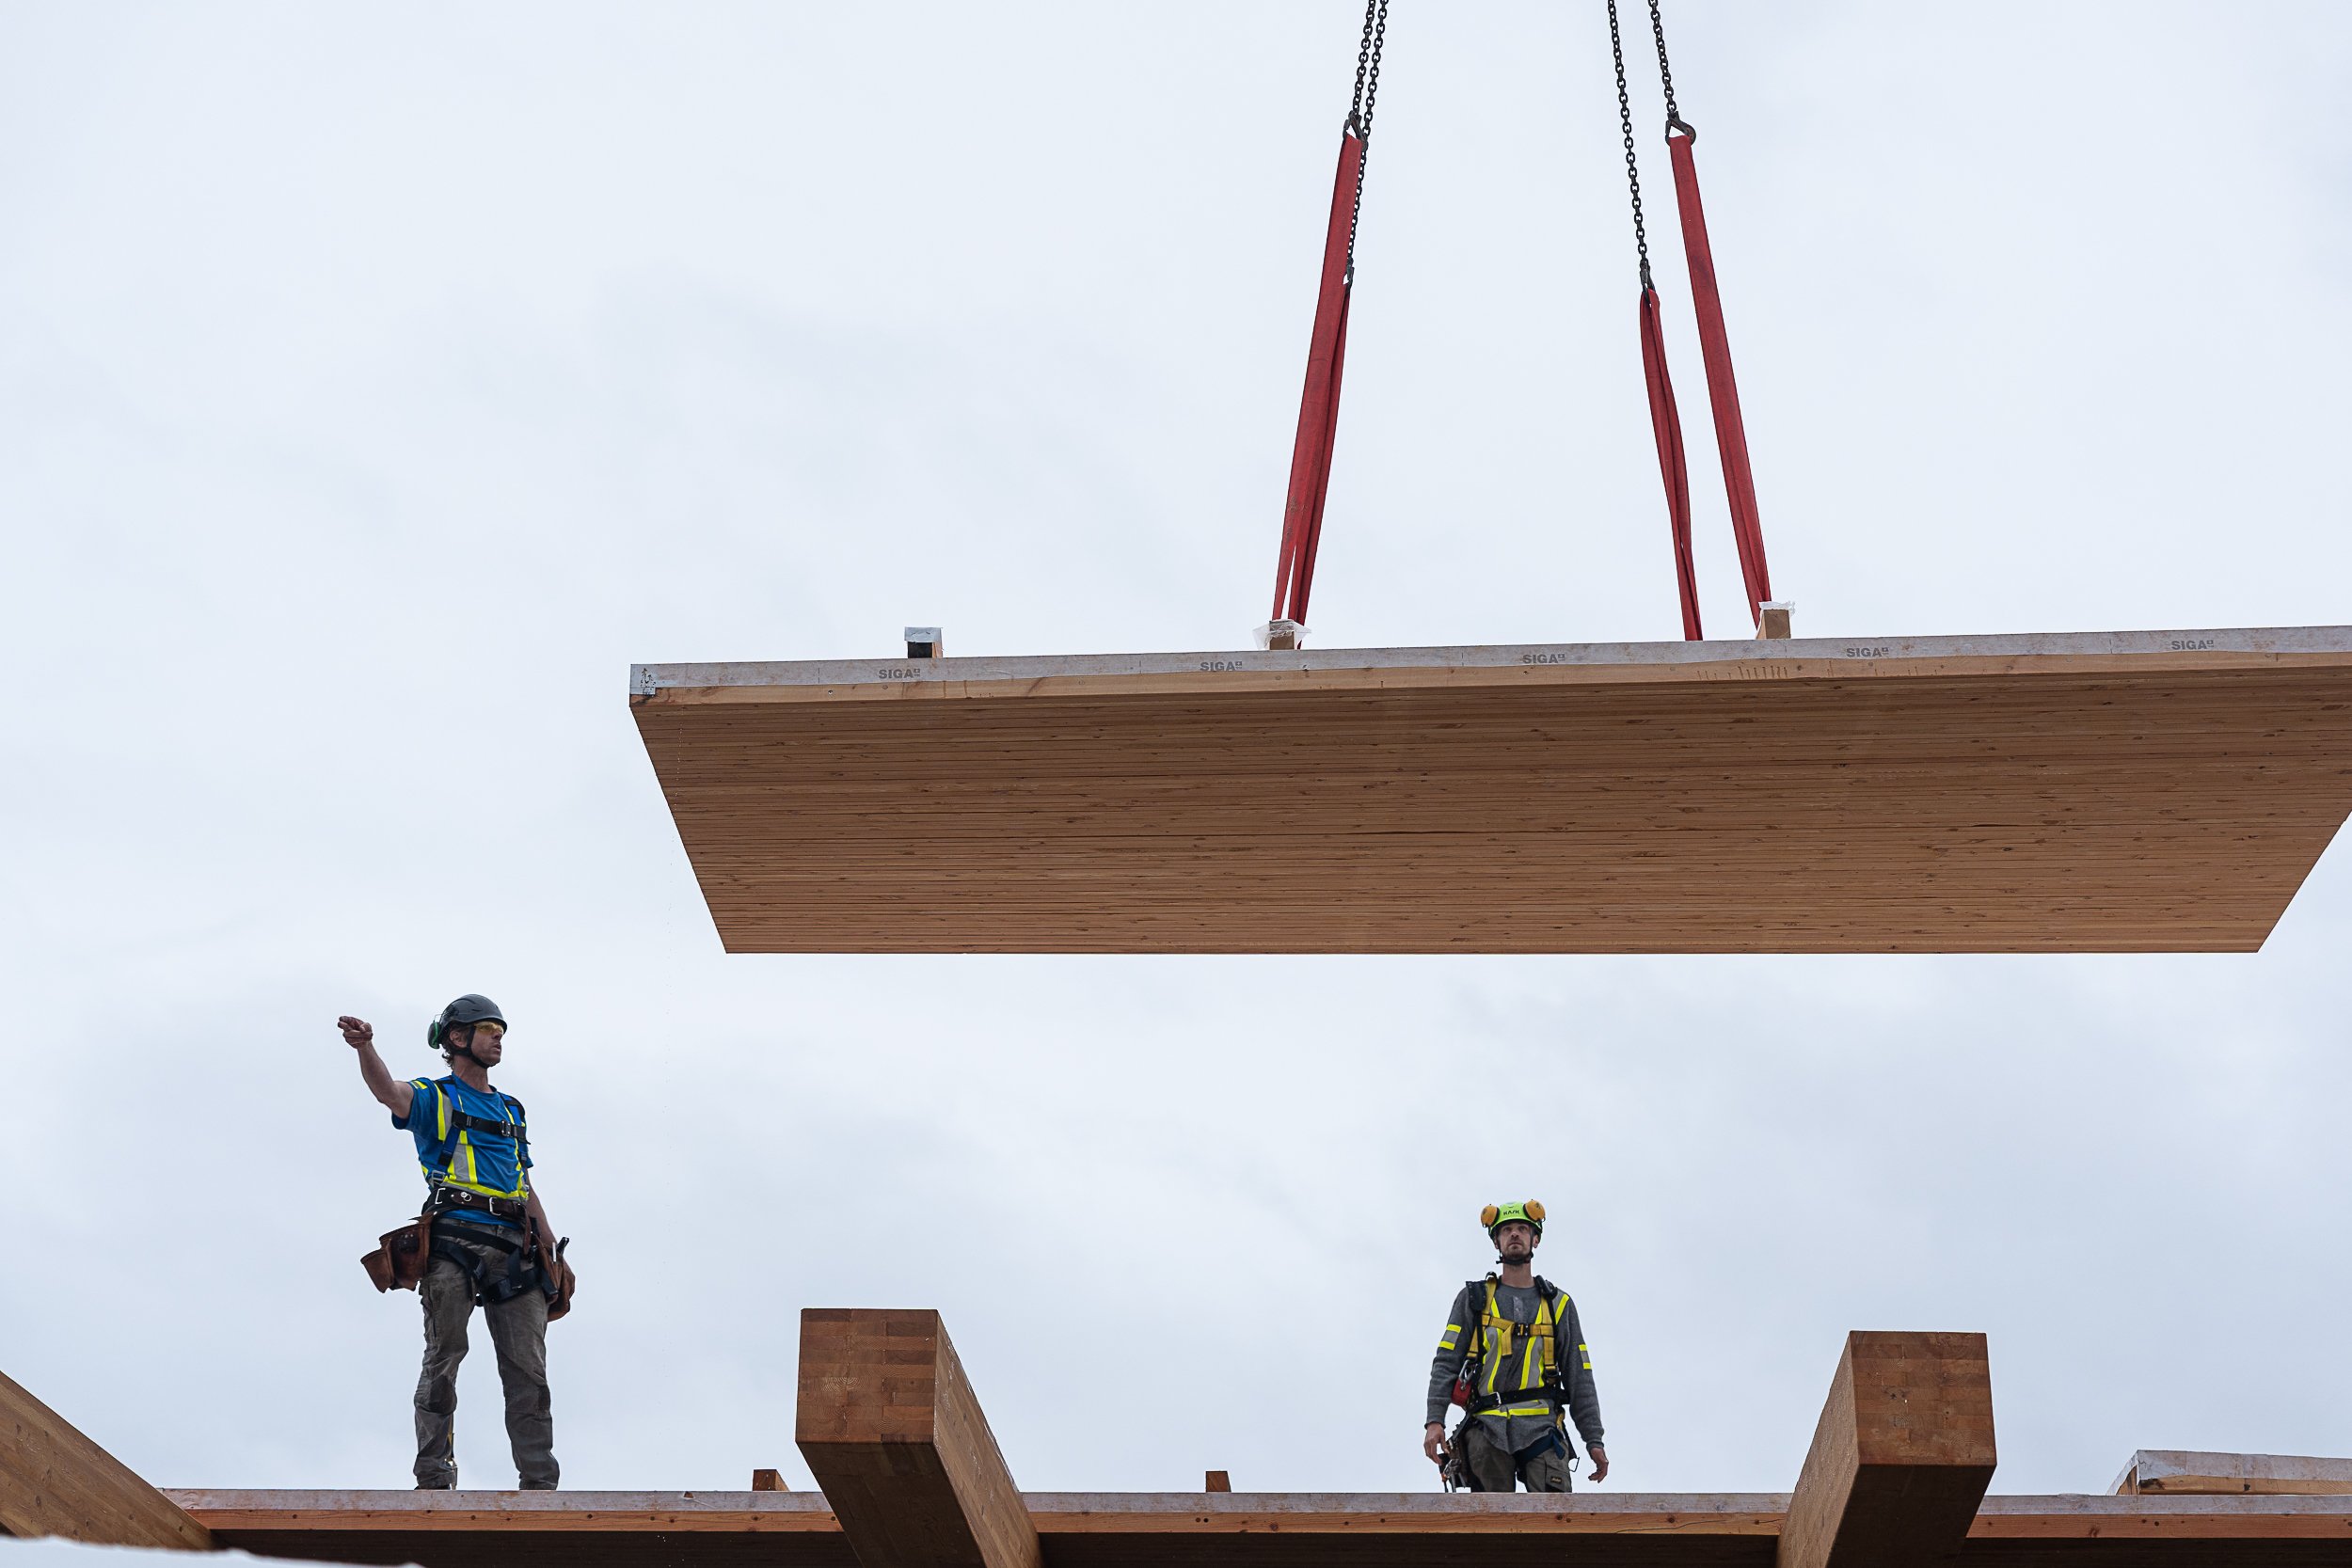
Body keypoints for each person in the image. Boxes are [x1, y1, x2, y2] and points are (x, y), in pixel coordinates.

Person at [340, 995, 563, 1491]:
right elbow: (389, 1093)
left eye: (501, 1028)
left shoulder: (510, 1108)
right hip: (454, 1243)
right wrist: (366, 1048)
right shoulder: (436, 1098)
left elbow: (520, 1181)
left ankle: (540, 1487)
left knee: (529, 1371)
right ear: (457, 1038)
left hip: (515, 1248)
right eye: (487, 1028)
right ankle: (434, 1479)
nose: (498, 1036)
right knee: (445, 1357)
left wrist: (547, 1240)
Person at [1422, 1201, 1607, 1492]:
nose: (1515, 1235)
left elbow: (1579, 1374)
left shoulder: (1558, 1305)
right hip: (1486, 1426)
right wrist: (1435, 1422)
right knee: (1494, 1523)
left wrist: (1593, 1440)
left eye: (1523, 1229)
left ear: (1536, 1239)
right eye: (1506, 1230)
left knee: (1553, 1519)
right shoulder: (1474, 1299)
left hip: (1542, 1427)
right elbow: (1446, 1361)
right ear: (1497, 1241)